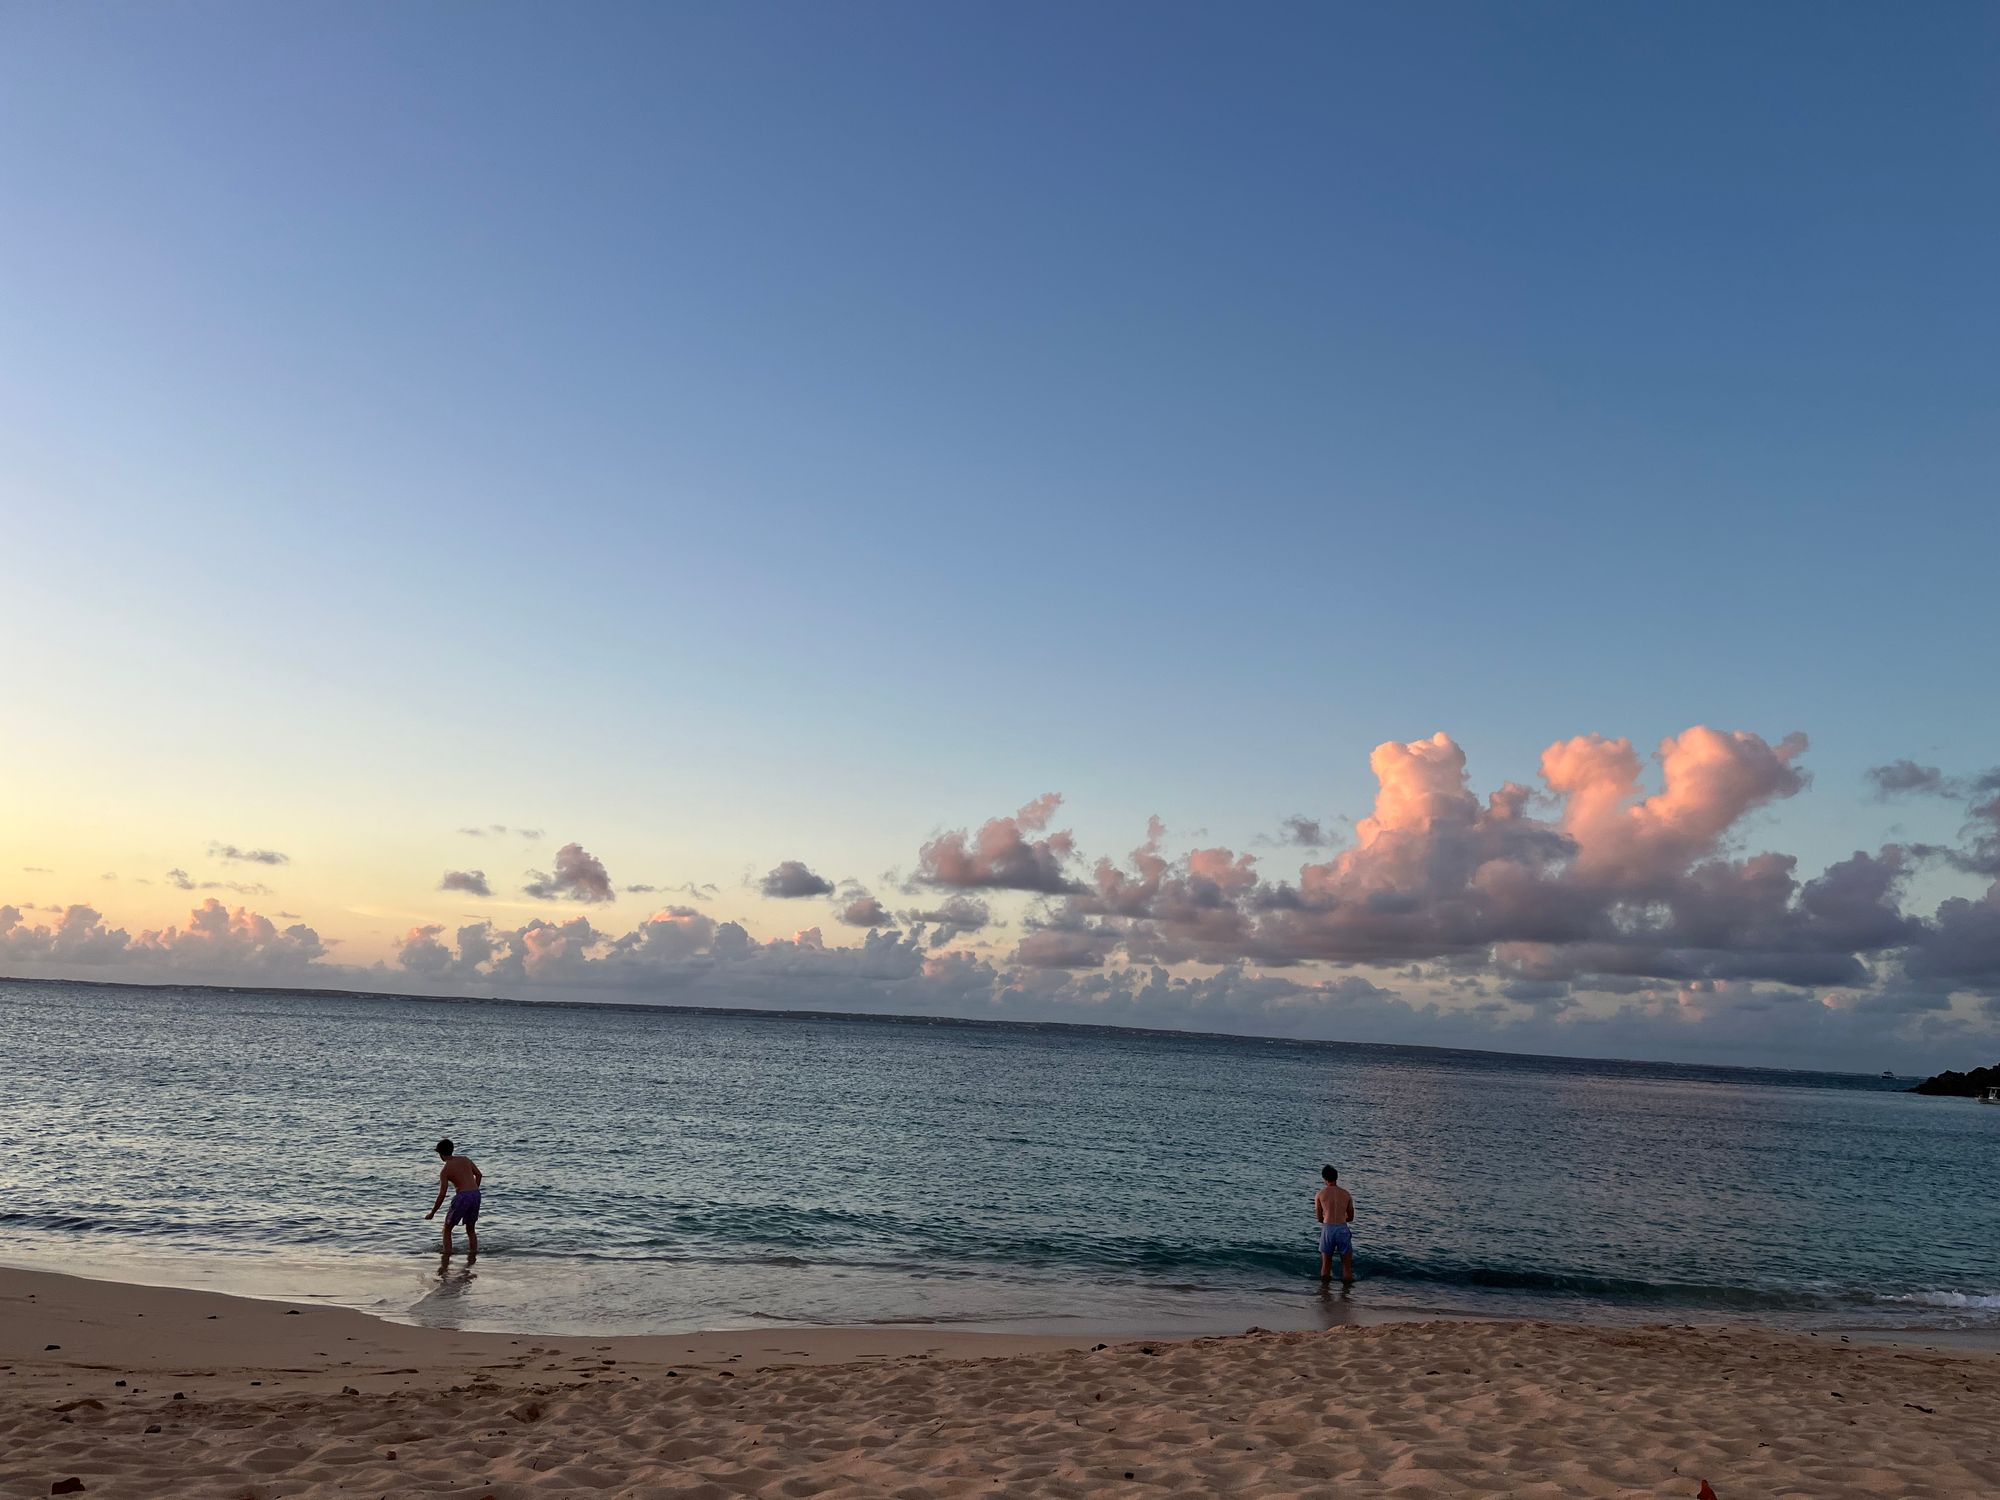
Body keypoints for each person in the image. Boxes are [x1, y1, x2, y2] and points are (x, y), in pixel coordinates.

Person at [426, 1138, 483, 1266]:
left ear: (440, 1154)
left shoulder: (445, 1170)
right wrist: (473, 1191)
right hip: (475, 1194)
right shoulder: (465, 1159)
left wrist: (433, 1212)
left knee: (447, 1229)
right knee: (471, 1229)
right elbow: (479, 1175)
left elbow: (442, 1194)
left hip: (462, 1196)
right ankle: (473, 1256)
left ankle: (446, 1257)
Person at [1314, 1164, 1354, 1286]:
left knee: (1326, 1265)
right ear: (1336, 1178)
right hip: (1342, 1228)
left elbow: (1319, 1217)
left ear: (1325, 1179)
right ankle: (1346, 1294)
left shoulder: (1320, 1194)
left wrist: (1327, 1219)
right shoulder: (1346, 1194)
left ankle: (1325, 1293)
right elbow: (1351, 1217)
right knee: (1346, 1266)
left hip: (1328, 1229)